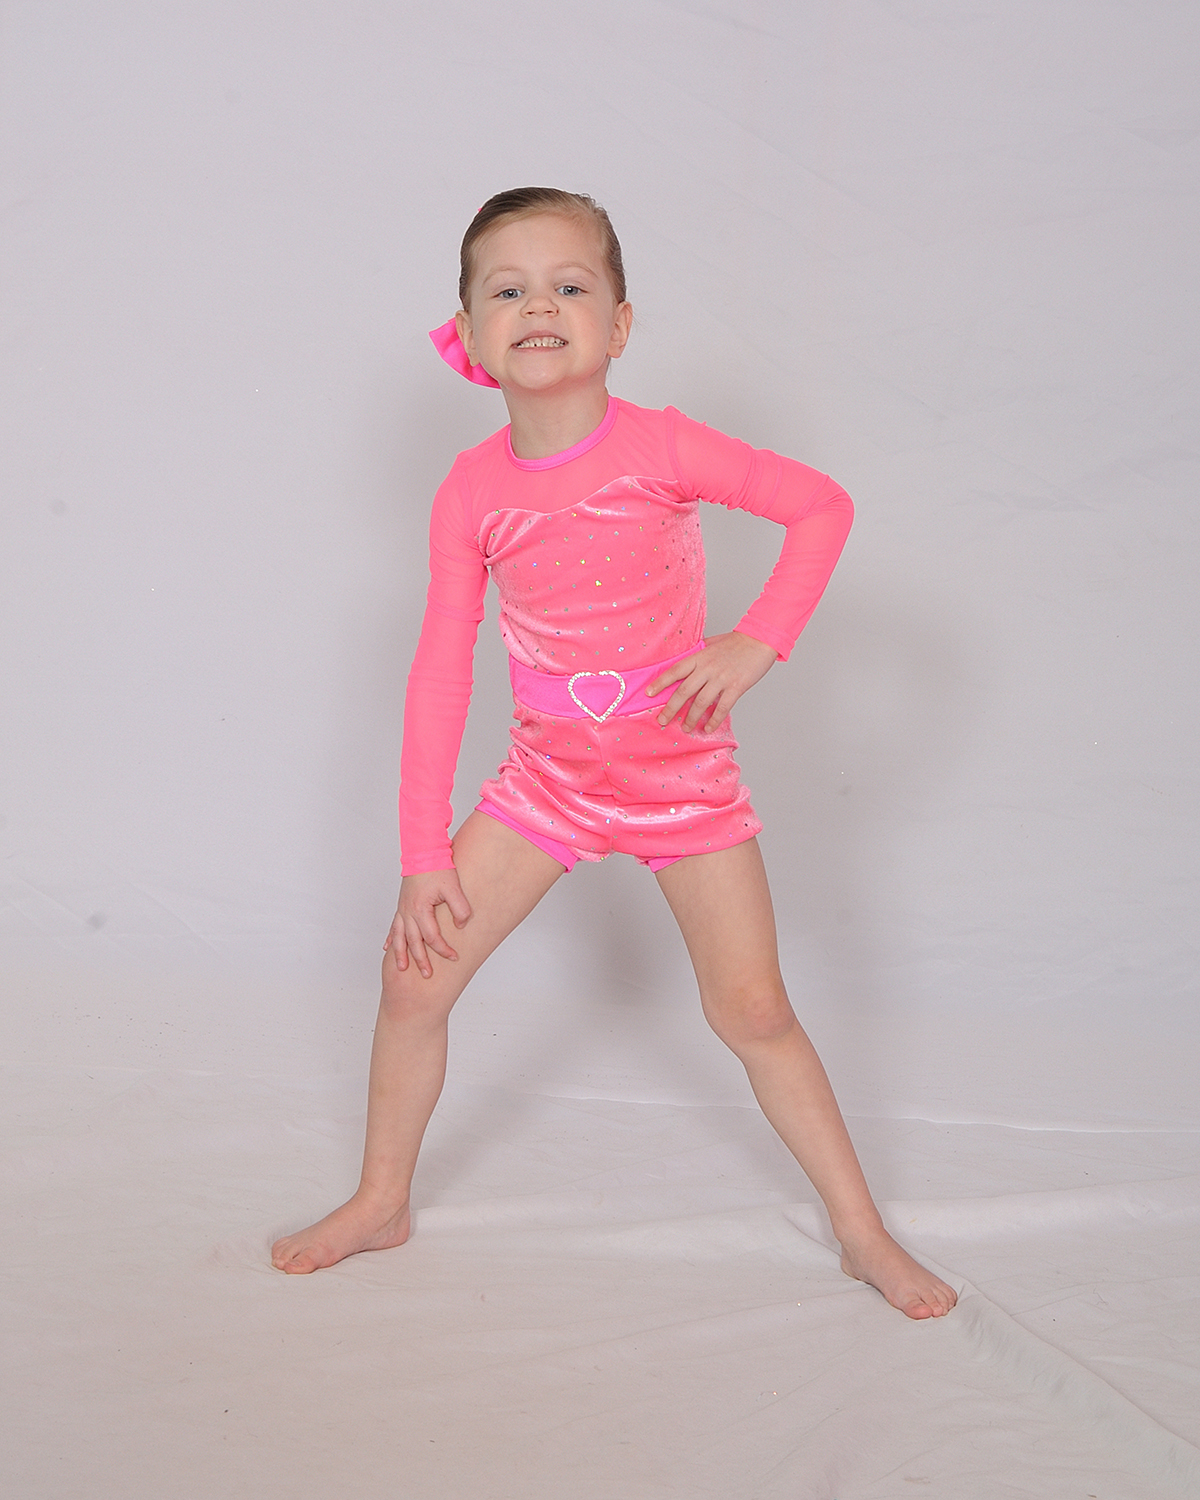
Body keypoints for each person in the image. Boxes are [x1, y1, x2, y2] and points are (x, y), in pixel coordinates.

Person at [271, 187, 957, 1319]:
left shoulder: (663, 446)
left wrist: (757, 641)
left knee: (754, 1011)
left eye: (570, 286)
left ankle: (863, 1233)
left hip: (683, 781)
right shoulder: (471, 490)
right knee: (412, 979)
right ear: (471, 330)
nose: (539, 306)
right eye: (508, 289)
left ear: (619, 325)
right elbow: (440, 671)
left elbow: (821, 507)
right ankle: (381, 1198)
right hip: (547, 784)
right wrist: (422, 855)